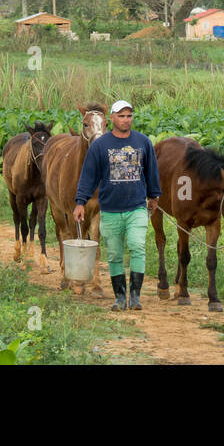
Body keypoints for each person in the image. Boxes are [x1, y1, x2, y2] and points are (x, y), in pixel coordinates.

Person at [74, 99, 160, 310]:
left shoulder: (143, 142)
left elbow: (151, 170)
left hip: (136, 207)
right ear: (111, 119)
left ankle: (136, 296)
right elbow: (88, 176)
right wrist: (80, 202)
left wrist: (154, 196)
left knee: (138, 246)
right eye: (121, 116)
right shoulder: (100, 146)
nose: (125, 120)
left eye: (129, 116)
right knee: (114, 254)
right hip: (110, 210)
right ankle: (120, 297)